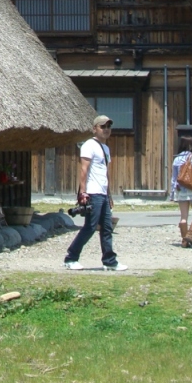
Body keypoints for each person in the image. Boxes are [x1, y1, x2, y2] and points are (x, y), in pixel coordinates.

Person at [64, 115, 128, 271]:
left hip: (103, 193)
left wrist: (109, 195)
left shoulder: (105, 148)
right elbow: (84, 169)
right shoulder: (88, 145)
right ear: (95, 129)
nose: (106, 130)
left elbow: (104, 172)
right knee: (90, 227)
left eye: (108, 127)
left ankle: (109, 261)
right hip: (92, 192)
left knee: (107, 227)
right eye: (102, 126)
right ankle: (71, 258)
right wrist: (83, 192)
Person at [170, 136, 192, 247]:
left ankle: (184, 241)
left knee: (183, 217)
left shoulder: (176, 159)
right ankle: (190, 235)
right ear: (191, 145)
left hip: (180, 190)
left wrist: (172, 193)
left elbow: (174, 178)